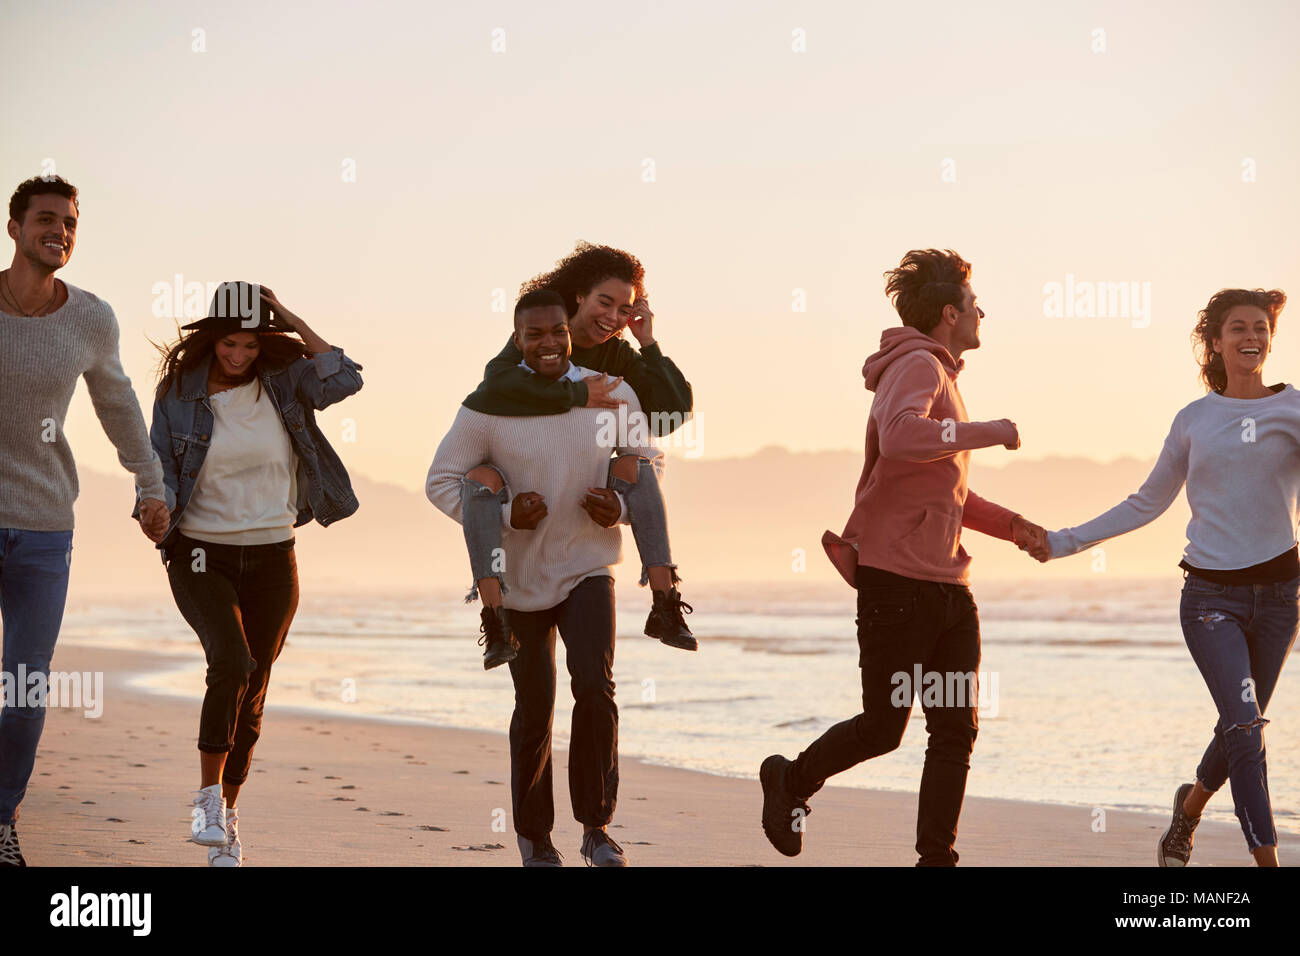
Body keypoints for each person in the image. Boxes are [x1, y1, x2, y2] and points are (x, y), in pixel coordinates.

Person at [758, 248, 1047, 866]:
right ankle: (791, 779)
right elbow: (901, 436)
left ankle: (935, 859)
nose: (982, 313)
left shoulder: (939, 374)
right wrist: (992, 430)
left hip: (948, 589)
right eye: (975, 305)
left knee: (954, 732)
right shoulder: (918, 364)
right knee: (884, 729)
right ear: (950, 313)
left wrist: (1015, 527)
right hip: (898, 587)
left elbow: (949, 491)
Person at [1023, 287, 1295, 868]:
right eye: (1238, 329)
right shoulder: (1193, 420)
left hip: (1280, 599)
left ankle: (1190, 808)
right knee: (1247, 730)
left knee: (1238, 725)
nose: (1251, 338)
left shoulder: (1293, 410)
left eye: (1260, 328)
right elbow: (1146, 502)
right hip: (1209, 599)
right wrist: (1062, 542)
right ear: (1215, 342)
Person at [427, 289, 663, 867]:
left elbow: (648, 461)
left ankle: (597, 829)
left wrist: (622, 507)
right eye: (535, 335)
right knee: (535, 707)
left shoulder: (609, 392)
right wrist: (507, 516)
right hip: (519, 574)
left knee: (596, 687)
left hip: (587, 564)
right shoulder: (490, 405)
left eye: (557, 330)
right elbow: (441, 481)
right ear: (518, 340)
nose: (549, 342)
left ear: (568, 330)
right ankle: (535, 839)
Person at [141, 281, 363, 866]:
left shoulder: (286, 381)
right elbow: (158, 463)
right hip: (199, 553)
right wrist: (152, 506)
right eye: (228, 345)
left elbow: (345, 377)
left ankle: (229, 820)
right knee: (231, 663)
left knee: (255, 686)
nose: (238, 356)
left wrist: (288, 315)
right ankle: (206, 800)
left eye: (249, 345)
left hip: (273, 554)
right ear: (211, 341)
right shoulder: (178, 393)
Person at [0, 175, 169, 868]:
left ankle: (1, 817)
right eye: (46, 220)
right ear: (14, 227)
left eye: (69, 223)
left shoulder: (91, 319)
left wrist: (150, 484)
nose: (59, 232)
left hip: (43, 528)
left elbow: (120, 405)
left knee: (25, 688)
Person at [458, 242, 695, 667]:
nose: (613, 317)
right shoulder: (541, 338)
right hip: (532, 482)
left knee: (637, 465)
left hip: (587, 482)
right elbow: (495, 386)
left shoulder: (617, 355)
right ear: (579, 296)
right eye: (605, 301)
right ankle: (492, 612)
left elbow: (670, 414)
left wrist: (647, 341)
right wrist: (578, 393)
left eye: (624, 310)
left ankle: (665, 599)